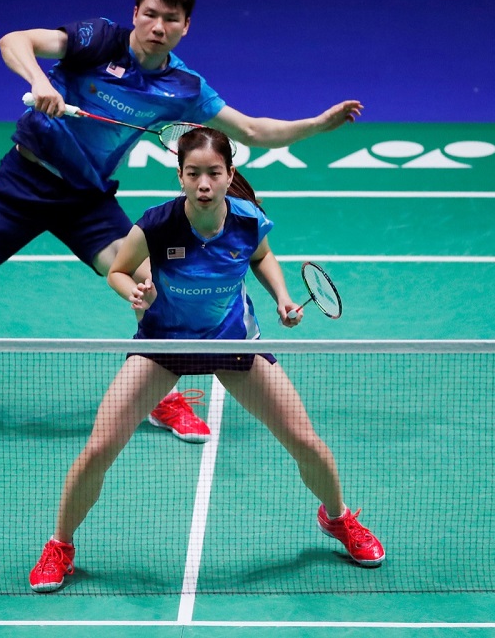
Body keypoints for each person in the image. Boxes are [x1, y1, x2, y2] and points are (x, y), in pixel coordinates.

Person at [0, 0, 364, 443]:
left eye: (170, 20)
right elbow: (14, 41)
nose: (157, 27)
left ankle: (163, 396)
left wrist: (318, 124)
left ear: (186, 27)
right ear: (135, 12)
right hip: (24, 183)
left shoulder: (183, 87)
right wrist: (40, 80)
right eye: (150, 14)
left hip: (87, 199)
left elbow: (252, 130)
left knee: (156, 288)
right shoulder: (97, 40)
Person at [28, 128, 384, 593]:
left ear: (228, 174)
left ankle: (337, 519)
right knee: (98, 449)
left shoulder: (248, 220)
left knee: (305, 440)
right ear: (179, 176)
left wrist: (281, 296)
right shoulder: (156, 225)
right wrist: (132, 290)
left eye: (213, 173)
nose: (203, 183)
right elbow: (116, 269)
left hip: (231, 341)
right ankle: (60, 545)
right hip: (164, 343)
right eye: (193, 173)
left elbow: (262, 257)